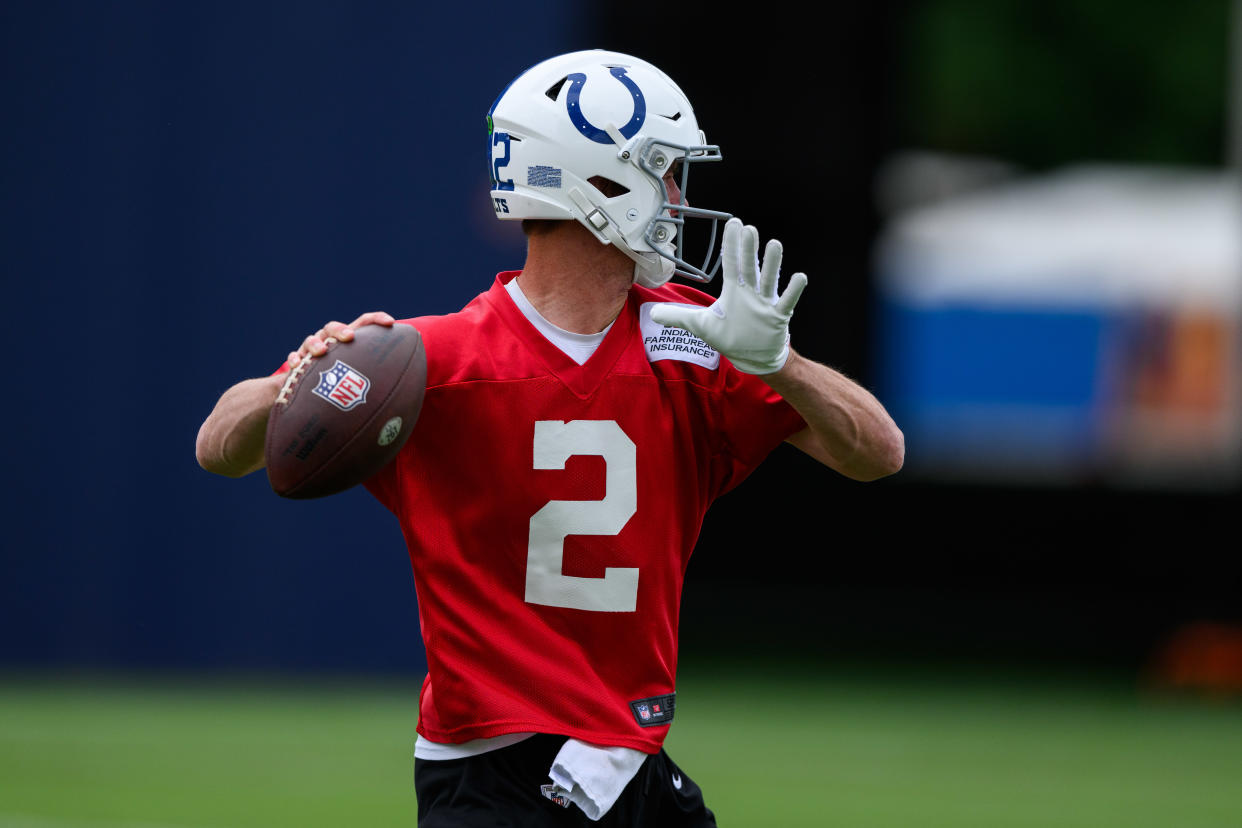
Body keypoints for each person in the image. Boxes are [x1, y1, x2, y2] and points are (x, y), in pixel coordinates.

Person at [196, 49, 903, 827]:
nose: (676, 196)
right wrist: (299, 376)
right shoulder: (427, 360)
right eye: (662, 171)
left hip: (630, 761)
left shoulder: (696, 341)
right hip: (493, 766)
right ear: (599, 185)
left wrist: (784, 363)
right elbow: (221, 444)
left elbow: (876, 453)